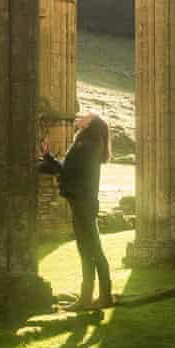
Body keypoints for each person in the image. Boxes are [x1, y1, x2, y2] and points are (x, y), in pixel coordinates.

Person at [40, 113, 113, 309]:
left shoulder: (86, 146)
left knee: (91, 249)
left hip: (82, 203)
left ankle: (96, 297)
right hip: (83, 202)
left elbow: (66, 171)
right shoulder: (88, 144)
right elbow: (67, 169)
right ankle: (92, 296)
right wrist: (46, 157)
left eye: (85, 116)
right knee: (90, 249)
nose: (79, 117)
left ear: (90, 124)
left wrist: (45, 159)